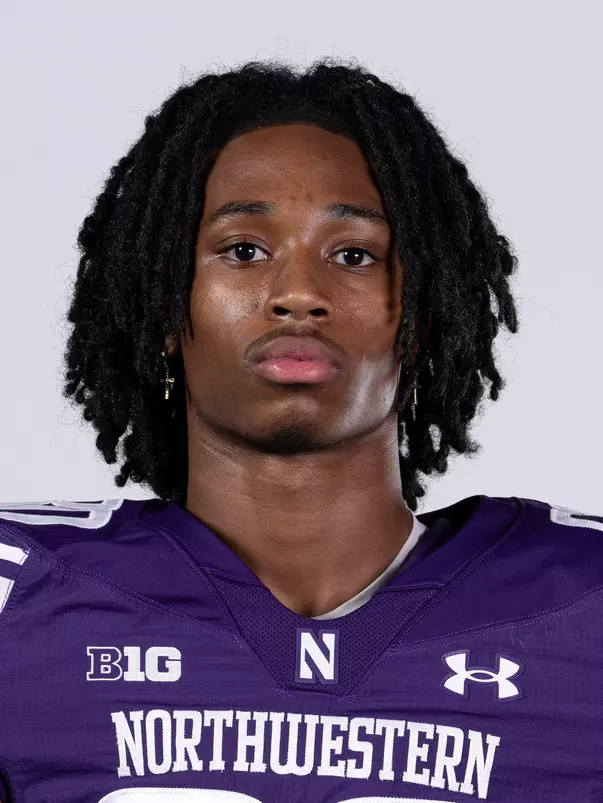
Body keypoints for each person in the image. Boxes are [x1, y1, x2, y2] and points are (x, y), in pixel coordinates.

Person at [0, 58, 601, 803]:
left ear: (421, 318)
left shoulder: (583, 603)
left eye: (353, 255)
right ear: (161, 306)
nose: (296, 294)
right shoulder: (21, 594)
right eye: (243, 250)